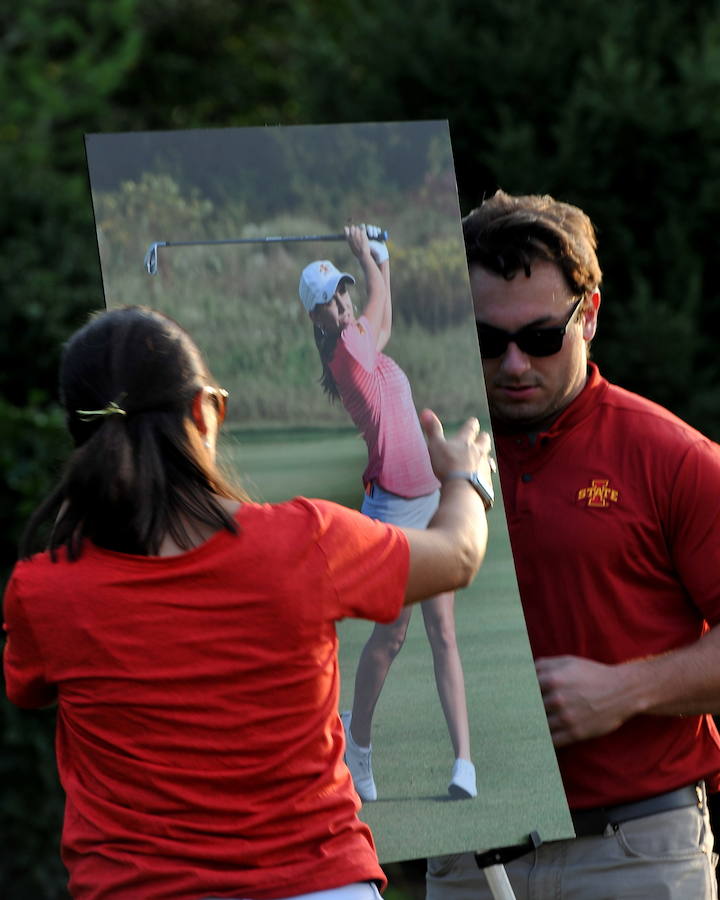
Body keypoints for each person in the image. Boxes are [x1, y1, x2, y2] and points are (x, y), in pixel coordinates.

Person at [2, 305, 495, 900]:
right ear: (205, 411)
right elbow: (458, 555)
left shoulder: (41, 589)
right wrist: (466, 476)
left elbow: (30, 686)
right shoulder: (304, 539)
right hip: (319, 884)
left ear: (83, 435)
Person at [426, 190, 720, 899]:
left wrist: (626, 690)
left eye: (541, 337)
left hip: (635, 852)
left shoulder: (673, 457)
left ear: (588, 313)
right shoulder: (416, 458)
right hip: (467, 852)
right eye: (488, 342)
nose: (514, 364)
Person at [299, 225, 487, 803]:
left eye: (344, 291)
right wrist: (370, 256)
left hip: (432, 498)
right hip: (392, 513)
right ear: (319, 316)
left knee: (443, 630)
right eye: (331, 300)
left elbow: (384, 317)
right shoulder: (343, 350)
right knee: (392, 635)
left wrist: (382, 260)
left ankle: (463, 765)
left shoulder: (364, 338)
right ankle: (358, 746)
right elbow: (379, 315)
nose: (341, 302)